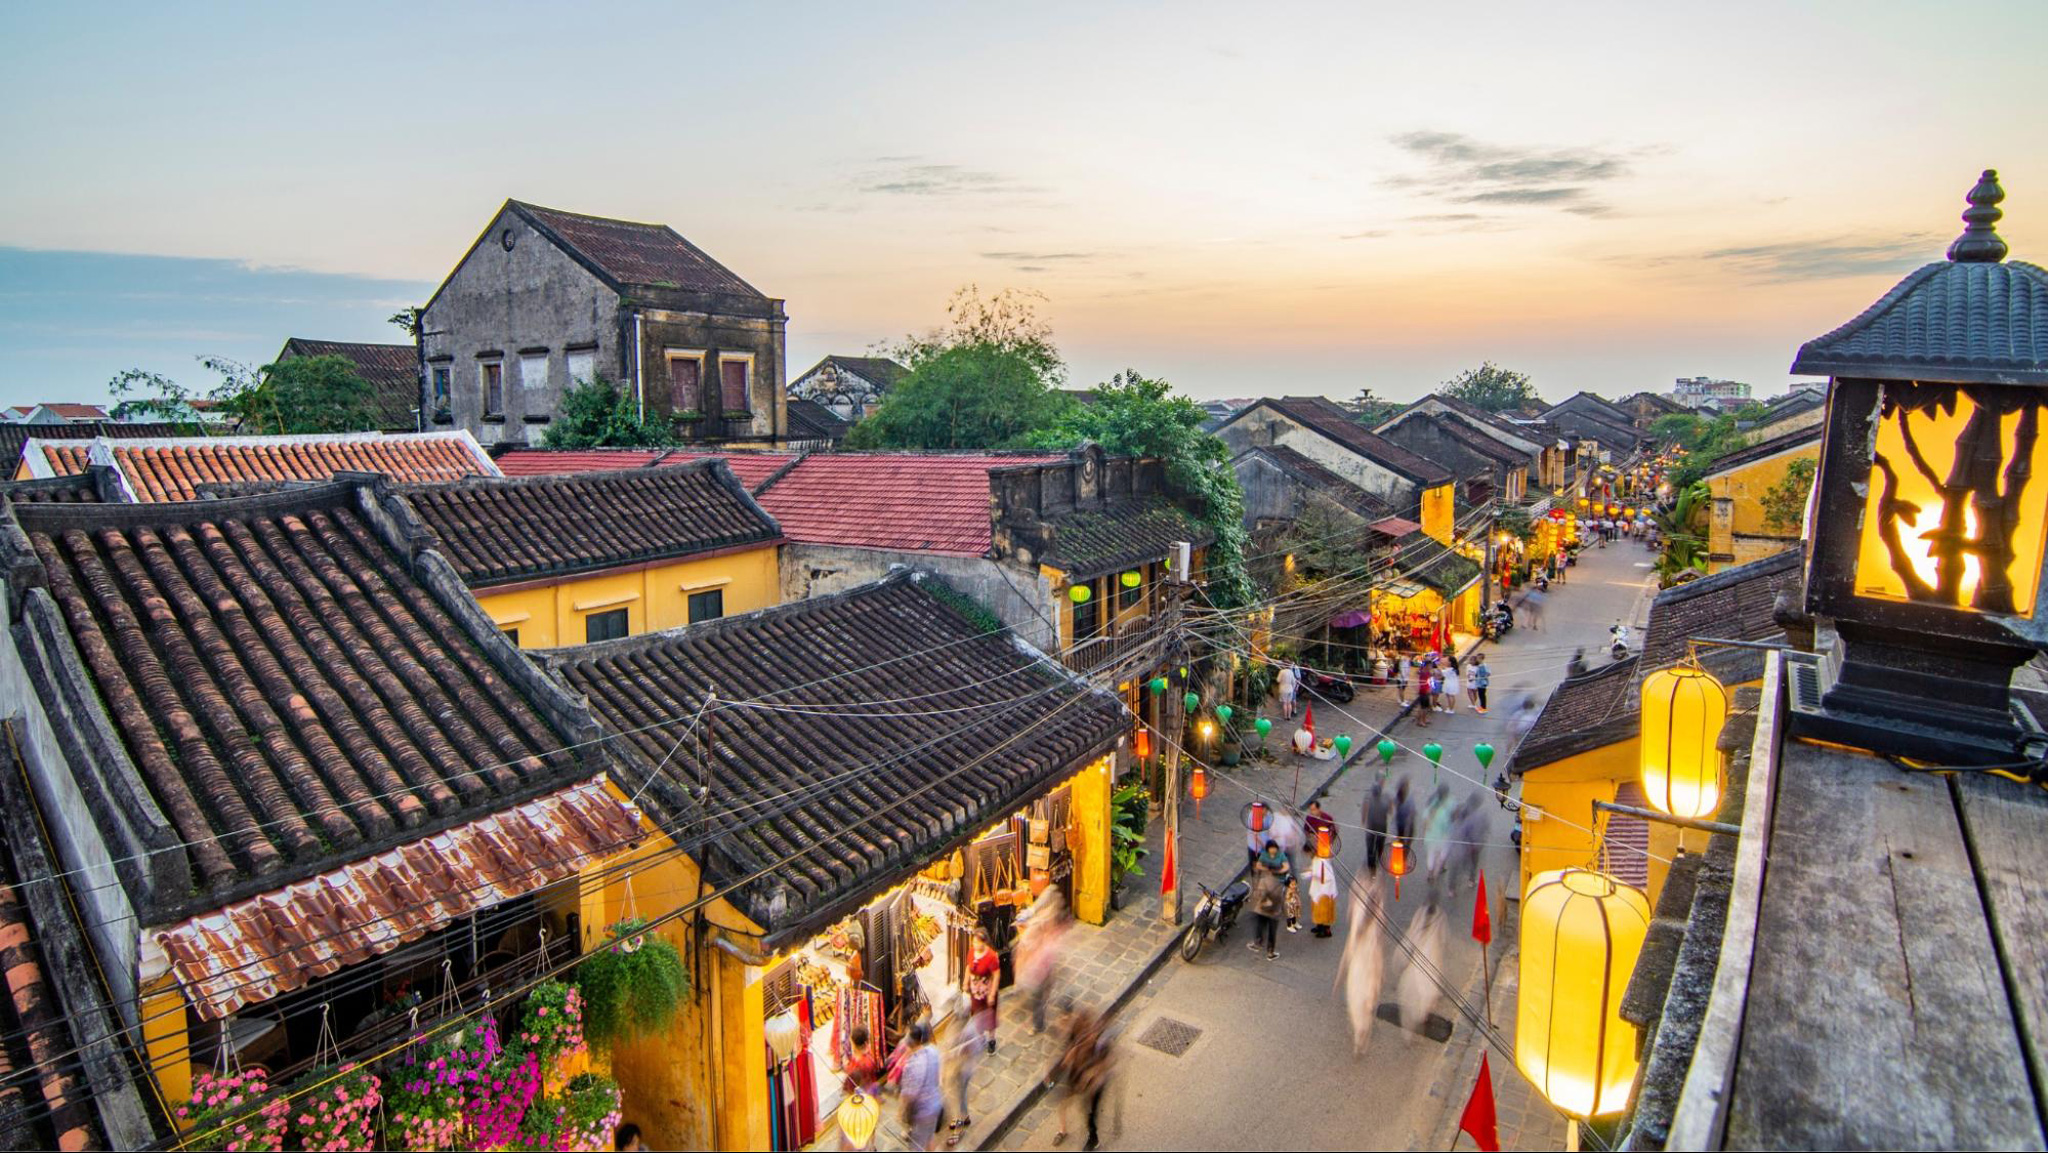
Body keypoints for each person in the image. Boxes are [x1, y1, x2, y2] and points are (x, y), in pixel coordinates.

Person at [898, 1022, 944, 1151]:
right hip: (936, 1104)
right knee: (929, 1137)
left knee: (917, 1146)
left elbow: (909, 1094)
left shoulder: (912, 1065)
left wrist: (901, 1111)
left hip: (922, 1113)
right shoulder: (933, 1051)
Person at [1248, 840, 1288, 960]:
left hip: (1272, 895)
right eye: (1271, 848)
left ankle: (1268, 949)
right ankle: (1261, 944)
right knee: (1263, 921)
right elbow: (1258, 865)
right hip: (1269, 897)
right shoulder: (1264, 856)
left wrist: (1274, 870)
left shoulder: (1281, 855)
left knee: (1268, 922)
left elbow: (1285, 867)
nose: (1273, 851)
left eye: (1274, 848)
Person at [964, 930, 1001, 1054]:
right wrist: (965, 982)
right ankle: (980, 1038)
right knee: (977, 1015)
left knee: (989, 1016)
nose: (974, 944)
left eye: (977, 942)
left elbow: (996, 975)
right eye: (973, 942)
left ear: (984, 942)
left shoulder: (991, 956)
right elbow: (968, 967)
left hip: (987, 991)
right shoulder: (971, 952)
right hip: (975, 991)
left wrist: (992, 994)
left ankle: (991, 1039)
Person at [1307, 844, 1339, 937]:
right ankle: (1319, 926)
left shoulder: (1321, 861)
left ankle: (1324, 929)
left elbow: (1321, 875)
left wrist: (1309, 873)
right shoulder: (1318, 859)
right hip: (1319, 889)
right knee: (1318, 909)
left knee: (1324, 910)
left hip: (1325, 890)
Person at [842, 1023, 882, 1093]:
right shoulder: (869, 1053)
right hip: (872, 1088)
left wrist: (846, 1067)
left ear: (854, 1044)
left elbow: (851, 1081)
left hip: (863, 1092)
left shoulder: (859, 1063)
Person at [1362, 780, 1390, 873]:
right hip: (1382, 828)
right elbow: (1389, 811)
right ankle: (1377, 861)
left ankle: (1372, 867)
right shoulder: (1385, 800)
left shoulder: (1369, 799)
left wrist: (1363, 820)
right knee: (1379, 846)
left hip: (1371, 828)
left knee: (1370, 848)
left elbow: (1365, 810)